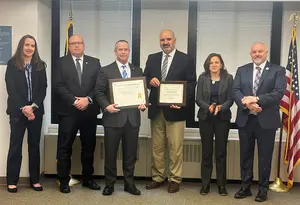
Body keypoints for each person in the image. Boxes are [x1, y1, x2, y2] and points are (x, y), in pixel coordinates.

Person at [144, 29, 196, 193]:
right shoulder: (152, 58)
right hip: (156, 111)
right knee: (157, 148)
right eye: (162, 40)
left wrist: (182, 103)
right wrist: (149, 81)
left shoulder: (186, 59)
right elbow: (144, 79)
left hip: (176, 111)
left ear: (174, 40)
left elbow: (191, 84)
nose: (165, 42)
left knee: (175, 147)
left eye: (168, 39)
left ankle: (175, 179)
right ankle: (158, 177)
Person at [232, 42, 286, 202]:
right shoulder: (242, 70)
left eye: (260, 51)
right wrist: (247, 104)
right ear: (250, 53)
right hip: (246, 120)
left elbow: (278, 93)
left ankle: (262, 189)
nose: (257, 54)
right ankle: (245, 187)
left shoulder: (278, 70)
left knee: (265, 157)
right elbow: (235, 91)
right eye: (254, 52)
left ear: (266, 52)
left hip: (266, 121)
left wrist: (256, 99)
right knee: (245, 156)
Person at [95, 40, 146, 196]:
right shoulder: (105, 70)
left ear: (129, 51)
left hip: (132, 119)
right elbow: (98, 92)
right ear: (115, 51)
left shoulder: (137, 70)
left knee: (130, 155)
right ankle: (109, 184)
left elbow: (141, 93)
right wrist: (106, 106)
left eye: (125, 49)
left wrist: (143, 103)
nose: (123, 52)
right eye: (120, 50)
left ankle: (129, 184)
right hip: (113, 119)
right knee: (110, 154)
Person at [54, 34, 101, 193]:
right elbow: (58, 85)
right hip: (68, 112)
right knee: (64, 147)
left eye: (79, 43)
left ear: (84, 45)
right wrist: (75, 101)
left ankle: (88, 179)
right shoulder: (61, 62)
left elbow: (99, 86)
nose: (76, 45)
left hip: (89, 112)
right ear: (69, 45)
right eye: (73, 43)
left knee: (88, 147)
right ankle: (64, 181)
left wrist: (87, 99)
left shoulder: (95, 62)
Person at [5, 34, 47, 193]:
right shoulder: (12, 64)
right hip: (17, 112)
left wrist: (33, 107)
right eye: (27, 45)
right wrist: (24, 107)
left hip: (36, 112)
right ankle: (12, 181)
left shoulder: (40, 65)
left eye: (33, 45)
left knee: (34, 146)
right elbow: (11, 88)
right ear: (21, 46)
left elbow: (43, 88)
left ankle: (35, 180)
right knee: (15, 146)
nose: (30, 48)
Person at [196, 53, 233, 196]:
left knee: (221, 152)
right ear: (208, 65)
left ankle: (221, 185)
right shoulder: (202, 78)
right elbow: (198, 99)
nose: (214, 65)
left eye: (217, 62)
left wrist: (220, 107)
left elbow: (231, 98)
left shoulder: (228, 78)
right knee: (206, 152)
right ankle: (205, 184)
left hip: (222, 118)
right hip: (206, 118)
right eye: (211, 62)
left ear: (221, 64)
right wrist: (208, 107)